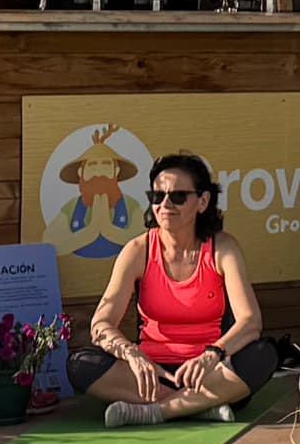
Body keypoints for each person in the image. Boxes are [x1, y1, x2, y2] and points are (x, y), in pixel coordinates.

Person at [64, 152, 279, 426]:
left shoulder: (223, 248)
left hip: (208, 371)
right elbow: (101, 324)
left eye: (178, 196)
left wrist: (212, 354)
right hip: (151, 374)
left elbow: (250, 322)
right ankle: (199, 405)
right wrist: (131, 353)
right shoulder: (137, 250)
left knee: (263, 355)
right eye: (157, 196)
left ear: (202, 202)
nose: (165, 204)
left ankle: (158, 411)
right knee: (80, 364)